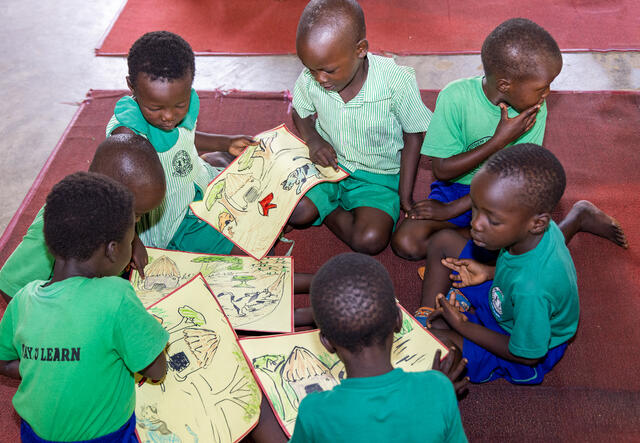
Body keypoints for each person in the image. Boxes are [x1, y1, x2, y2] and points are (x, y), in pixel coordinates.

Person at [422, 144, 623, 384]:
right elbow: (521, 267)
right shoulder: (537, 233)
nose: (475, 224)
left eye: (493, 220)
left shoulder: (532, 289)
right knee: (443, 241)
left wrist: (464, 327)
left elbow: (526, 355)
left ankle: (437, 329)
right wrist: (489, 272)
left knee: (436, 348)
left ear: (537, 223)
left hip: (516, 338)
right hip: (506, 294)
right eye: (475, 208)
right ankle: (424, 317)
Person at [0, 172, 168, 442]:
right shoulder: (117, 296)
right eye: (130, 239)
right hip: (105, 436)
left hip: (35, 434)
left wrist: (48, 365)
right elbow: (156, 369)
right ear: (113, 250)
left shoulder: (23, 299)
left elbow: (4, 360)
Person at [392, 18, 566, 261]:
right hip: (456, 188)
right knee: (406, 243)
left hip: (503, 192)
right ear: (505, 84)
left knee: (525, 237)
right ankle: (476, 236)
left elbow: (518, 179)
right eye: (542, 88)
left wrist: (450, 212)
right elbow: (442, 170)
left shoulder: (534, 109)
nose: (547, 94)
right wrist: (497, 142)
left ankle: (575, 219)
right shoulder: (455, 98)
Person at [287, 0, 433, 255]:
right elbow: (299, 110)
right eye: (311, 69)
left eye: (328, 70)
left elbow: (413, 137)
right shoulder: (313, 77)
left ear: (360, 49)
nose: (320, 79)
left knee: (371, 240)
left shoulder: (396, 82)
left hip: (377, 176)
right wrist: (313, 140)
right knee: (299, 213)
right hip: (327, 165)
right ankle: (327, 202)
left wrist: (405, 196)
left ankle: (328, 207)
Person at [289, 253, 468, 443]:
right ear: (398, 320)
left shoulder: (314, 411)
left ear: (326, 343)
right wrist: (434, 391)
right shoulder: (439, 388)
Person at [107, 30, 255, 255]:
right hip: (171, 220)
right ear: (131, 86)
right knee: (250, 250)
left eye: (180, 105)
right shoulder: (127, 136)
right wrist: (132, 240)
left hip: (195, 184)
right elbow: (115, 197)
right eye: (155, 108)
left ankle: (214, 163)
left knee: (263, 204)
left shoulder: (175, 101)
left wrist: (226, 142)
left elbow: (183, 138)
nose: (169, 116)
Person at [0, 133, 166, 304]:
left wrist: (132, 240)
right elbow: (10, 286)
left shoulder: (112, 214)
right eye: (135, 215)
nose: (137, 222)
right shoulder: (57, 227)